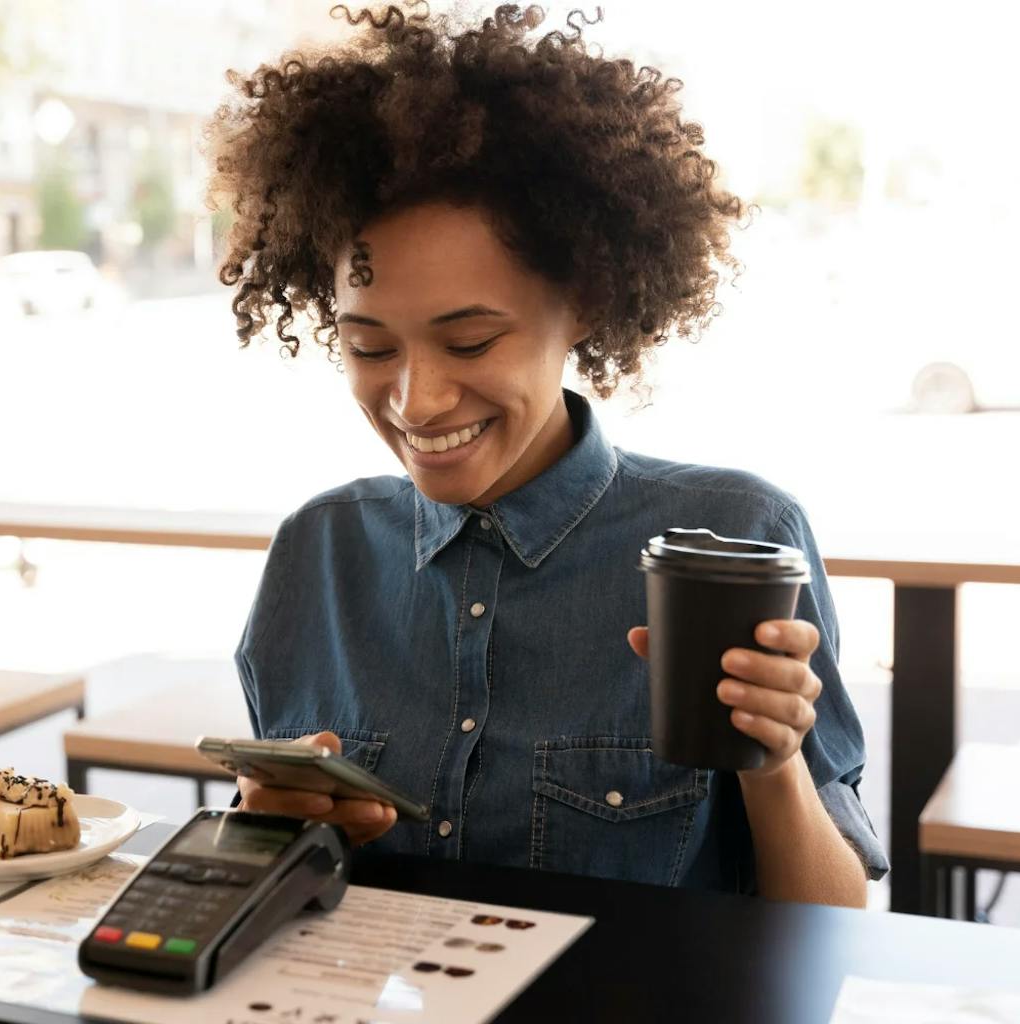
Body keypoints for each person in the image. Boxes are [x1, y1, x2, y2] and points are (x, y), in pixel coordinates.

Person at [206, 3, 888, 907]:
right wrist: (270, 826)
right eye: (370, 348)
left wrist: (772, 761)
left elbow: (832, 921)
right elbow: (285, 884)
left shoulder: (730, 539)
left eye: (471, 340)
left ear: (589, 302)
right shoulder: (317, 554)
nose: (415, 400)